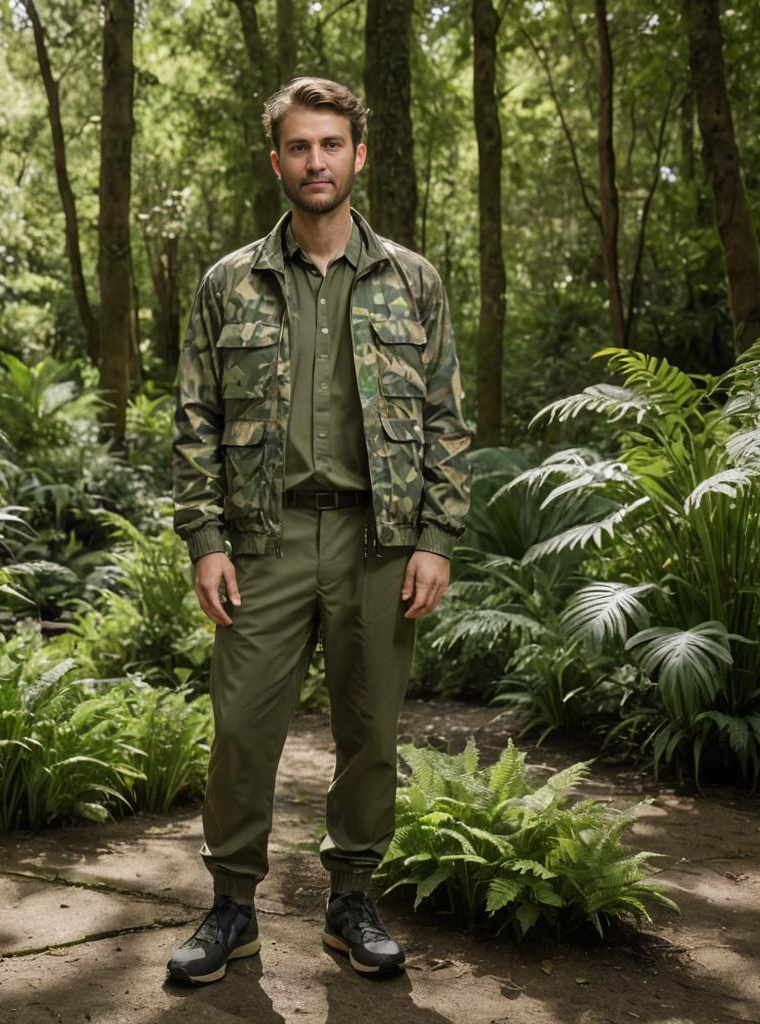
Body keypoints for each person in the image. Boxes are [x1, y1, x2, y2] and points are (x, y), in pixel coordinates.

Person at [167, 76, 472, 984]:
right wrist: (204, 539)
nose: (316, 162)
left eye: (331, 145)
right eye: (299, 147)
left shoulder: (412, 280)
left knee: (370, 731)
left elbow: (449, 420)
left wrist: (437, 538)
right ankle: (231, 910)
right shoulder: (231, 280)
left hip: (379, 543)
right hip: (263, 541)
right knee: (242, 730)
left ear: (358, 156)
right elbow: (194, 419)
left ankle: (351, 903)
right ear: (277, 161)